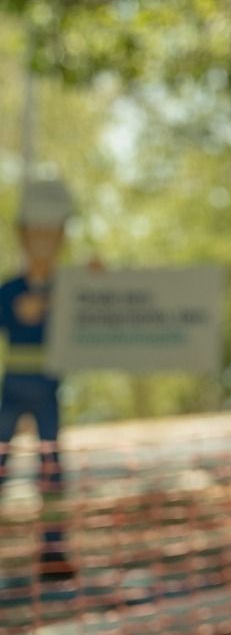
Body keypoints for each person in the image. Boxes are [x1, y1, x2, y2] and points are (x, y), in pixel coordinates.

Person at [1, 178, 77, 582]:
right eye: (36, 232)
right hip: (12, 389)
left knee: (51, 470)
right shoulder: (8, 290)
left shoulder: (70, 290)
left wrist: (100, 283)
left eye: (52, 232)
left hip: (48, 389)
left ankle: (52, 548)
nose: (43, 241)